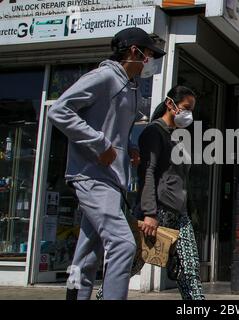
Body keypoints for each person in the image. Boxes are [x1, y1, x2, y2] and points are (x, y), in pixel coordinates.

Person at [47, 27, 166, 300]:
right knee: (124, 245)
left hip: (112, 181)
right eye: (149, 54)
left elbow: (114, 132)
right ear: (134, 52)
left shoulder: (130, 86)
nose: (152, 60)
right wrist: (99, 144)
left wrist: (129, 148)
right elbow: (59, 110)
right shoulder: (104, 77)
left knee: (87, 255)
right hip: (91, 177)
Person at [136, 85, 205, 300]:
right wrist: (149, 212)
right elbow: (148, 171)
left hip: (179, 214)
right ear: (170, 104)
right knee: (132, 264)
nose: (188, 114)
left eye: (191, 109)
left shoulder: (176, 137)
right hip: (159, 212)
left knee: (190, 268)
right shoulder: (154, 132)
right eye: (185, 107)